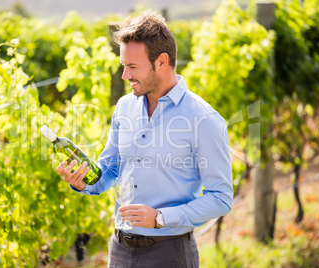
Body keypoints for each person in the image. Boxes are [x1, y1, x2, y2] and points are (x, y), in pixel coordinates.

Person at [56, 10, 233, 268]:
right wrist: (84, 182)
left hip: (170, 254)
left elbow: (221, 197)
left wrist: (161, 218)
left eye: (132, 67)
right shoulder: (125, 106)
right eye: (123, 66)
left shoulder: (203, 119)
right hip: (119, 250)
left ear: (161, 62)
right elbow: (111, 170)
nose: (124, 76)